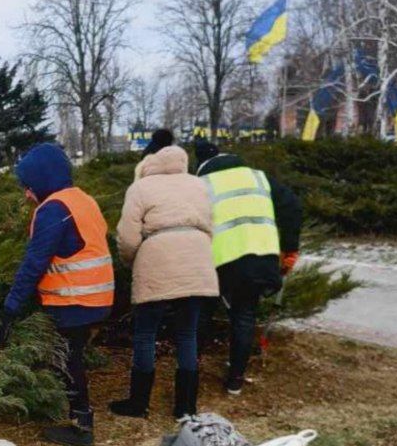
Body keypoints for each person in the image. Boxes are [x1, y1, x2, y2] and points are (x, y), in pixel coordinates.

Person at [0, 142, 114, 446]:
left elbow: (33, 264)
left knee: (67, 358)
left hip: (73, 299)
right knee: (70, 357)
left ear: (43, 181)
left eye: (29, 186)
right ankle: (74, 416)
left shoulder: (53, 210)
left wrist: (9, 312)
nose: (27, 194)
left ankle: (81, 427)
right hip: (98, 296)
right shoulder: (82, 200)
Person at [110, 145, 218, 420]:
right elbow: (211, 224)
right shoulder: (199, 185)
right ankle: (185, 407)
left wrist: (132, 260)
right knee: (187, 333)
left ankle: (139, 403)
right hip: (198, 259)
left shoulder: (141, 187)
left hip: (157, 257)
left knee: (146, 333)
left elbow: (128, 235)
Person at [196, 144, 302, 394]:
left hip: (217, 259)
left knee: (200, 315)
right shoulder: (259, 177)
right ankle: (235, 381)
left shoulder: (201, 183)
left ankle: (191, 373)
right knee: (244, 316)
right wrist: (289, 248)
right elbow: (293, 206)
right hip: (260, 256)